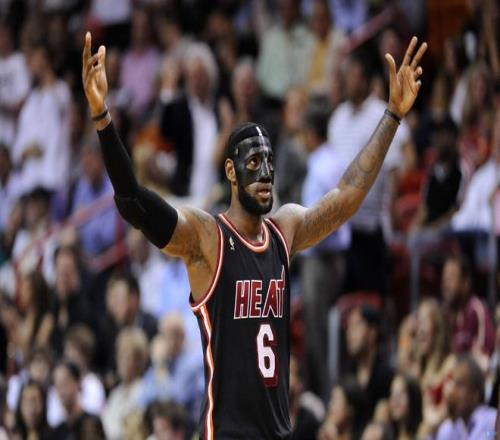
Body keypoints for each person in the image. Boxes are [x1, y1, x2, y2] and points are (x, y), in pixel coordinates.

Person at [82, 31, 427, 439]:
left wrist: (392, 115)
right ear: (230, 171)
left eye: (269, 162)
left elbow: (347, 195)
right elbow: (133, 201)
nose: (265, 173)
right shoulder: (207, 238)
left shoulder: (285, 230)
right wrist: (102, 117)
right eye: (253, 163)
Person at [436, 355, 496, 440]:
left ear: (475, 393)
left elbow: (491, 435)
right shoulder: (448, 428)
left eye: (459, 384)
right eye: (452, 383)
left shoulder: (491, 421)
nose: (452, 391)